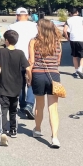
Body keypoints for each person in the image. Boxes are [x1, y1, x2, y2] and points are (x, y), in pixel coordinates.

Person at [0, 30, 31, 146]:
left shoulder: (2, 52)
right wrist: (29, 79)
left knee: (3, 110)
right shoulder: (20, 53)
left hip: (3, 86)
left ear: (6, 41)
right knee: (14, 109)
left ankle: (3, 132)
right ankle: (13, 130)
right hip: (16, 86)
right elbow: (28, 68)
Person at [28, 19, 62, 148]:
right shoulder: (58, 43)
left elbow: (31, 62)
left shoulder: (33, 42)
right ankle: (55, 138)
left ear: (40, 28)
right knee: (53, 108)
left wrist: (29, 77)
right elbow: (58, 61)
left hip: (38, 75)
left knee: (39, 105)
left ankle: (37, 129)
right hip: (54, 75)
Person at [9, 7, 37, 119]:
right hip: (32, 57)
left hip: (17, 58)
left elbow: (9, 43)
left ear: (17, 16)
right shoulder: (34, 26)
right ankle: (30, 104)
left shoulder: (12, 27)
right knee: (32, 81)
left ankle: (22, 104)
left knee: (20, 84)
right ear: (27, 15)